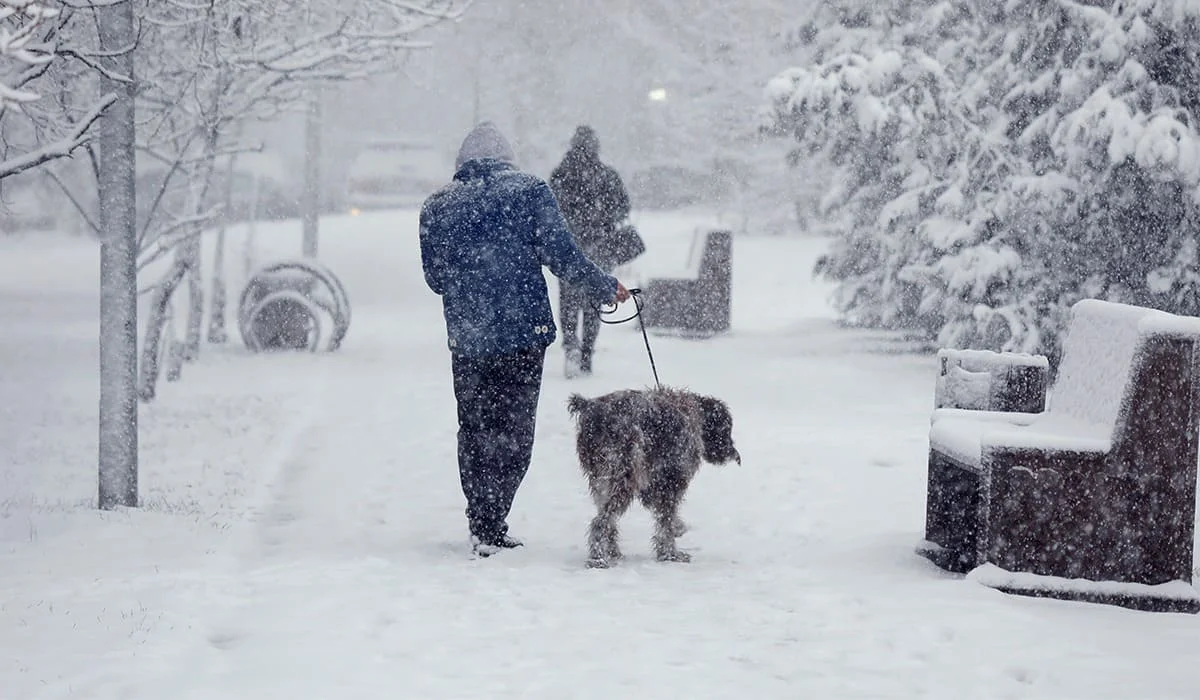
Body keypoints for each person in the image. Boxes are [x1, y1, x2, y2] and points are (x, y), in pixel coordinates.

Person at [419, 122, 631, 558]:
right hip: (522, 334)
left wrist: (472, 283)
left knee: (475, 429)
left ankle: (482, 520)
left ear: (461, 163)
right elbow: (562, 255)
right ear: (507, 159)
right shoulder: (529, 192)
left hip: (469, 337)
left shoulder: (437, 206)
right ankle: (495, 516)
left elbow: (435, 279)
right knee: (514, 431)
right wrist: (604, 286)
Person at [549, 125, 631, 378]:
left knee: (568, 301)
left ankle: (571, 345)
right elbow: (624, 208)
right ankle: (587, 353)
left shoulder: (561, 175)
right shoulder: (607, 176)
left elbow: (549, 210)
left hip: (569, 248)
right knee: (595, 300)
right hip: (600, 248)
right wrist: (602, 219)